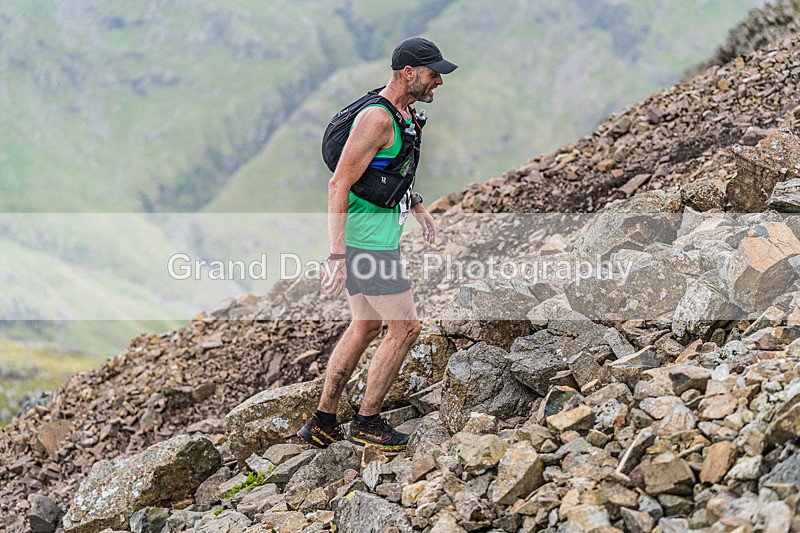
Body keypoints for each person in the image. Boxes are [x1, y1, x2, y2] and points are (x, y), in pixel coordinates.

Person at [297, 37, 457, 452]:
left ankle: (322, 422)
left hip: (374, 238)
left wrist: (416, 204)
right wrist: (337, 254)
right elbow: (339, 182)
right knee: (406, 329)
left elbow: (388, 169)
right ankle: (367, 423)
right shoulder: (376, 118)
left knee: (366, 325)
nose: (439, 79)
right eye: (433, 72)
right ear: (409, 73)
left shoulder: (403, 114)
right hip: (367, 244)